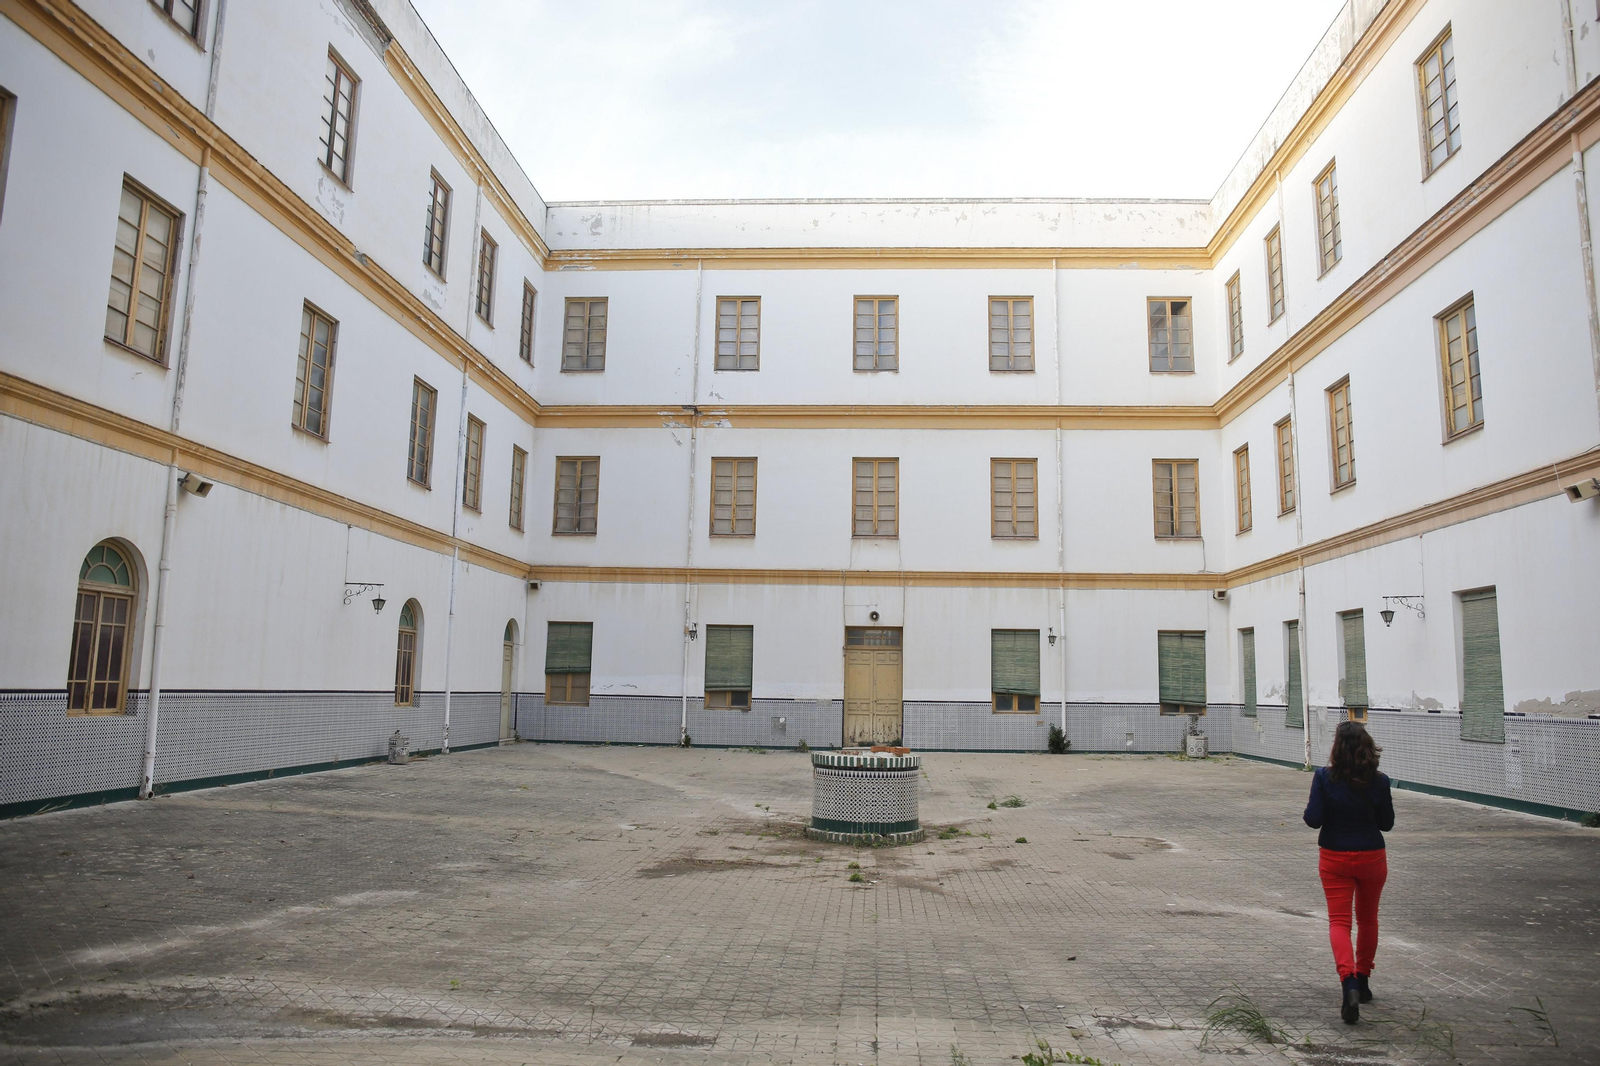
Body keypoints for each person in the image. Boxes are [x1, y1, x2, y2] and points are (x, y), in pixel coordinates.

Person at [1303, 720, 1395, 1024]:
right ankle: (1364, 980)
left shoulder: (1323, 778)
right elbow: (1387, 824)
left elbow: (1313, 819)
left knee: (1339, 922)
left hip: (1334, 857)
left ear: (1336, 749)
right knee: (1368, 918)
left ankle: (1348, 984)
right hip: (1371, 856)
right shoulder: (1380, 781)